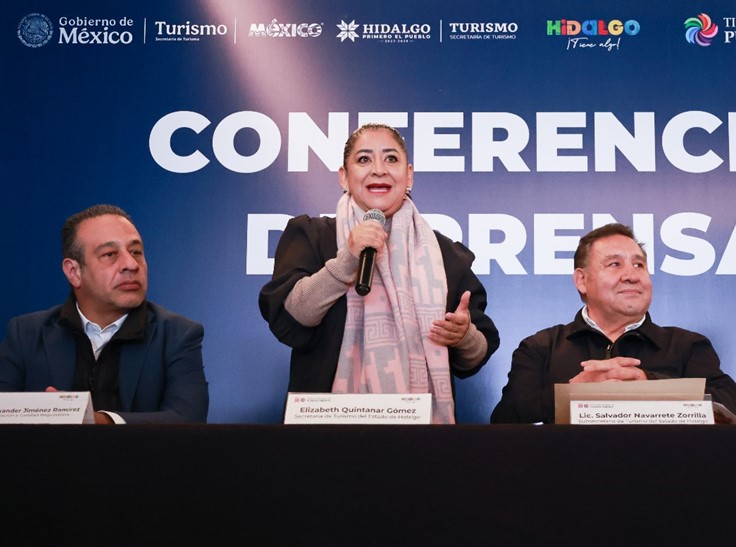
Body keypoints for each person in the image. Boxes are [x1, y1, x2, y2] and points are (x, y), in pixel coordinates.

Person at [259, 123, 499, 424]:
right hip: (326, 432)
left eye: (391, 159)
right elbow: (290, 317)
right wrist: (347, 260)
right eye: (364, 159)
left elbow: (476, 355)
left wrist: (464, 337)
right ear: (344, 177)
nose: (379, 170)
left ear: (408, 175)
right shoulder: (311, 235)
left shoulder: (446, 255)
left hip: (420, 434)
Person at [490, 222, 736, 424]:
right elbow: (505, 420)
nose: (631, 275)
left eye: (639, 265)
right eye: (615, 264)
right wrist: (572, 393)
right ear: (582, 280)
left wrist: (651, 386)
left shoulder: (687, 346)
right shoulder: (541, 347)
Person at [0, 204, 209, 423]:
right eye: (110, 254)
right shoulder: (26, 334)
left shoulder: (177, 335)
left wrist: (99, 421)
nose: (131, 264)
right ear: (74, 272)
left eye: (136, 252)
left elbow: (188, 419)